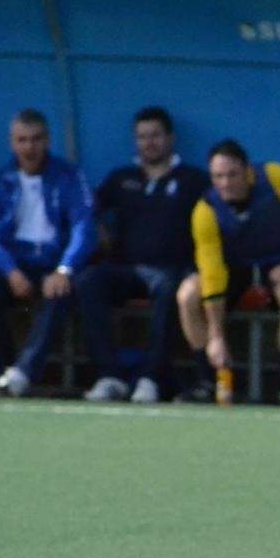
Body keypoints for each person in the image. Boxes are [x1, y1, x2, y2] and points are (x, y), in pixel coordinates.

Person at [175, 139, 280, 405]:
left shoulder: (276, 178)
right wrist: (216, 336)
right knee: (187, 295)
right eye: (218, 176)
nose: (225, 183)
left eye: (232, 174)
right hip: (234, 269)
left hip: (279, 263)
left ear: (247, 171)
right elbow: (213, 273)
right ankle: (207, 381)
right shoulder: (205, 210)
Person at [77, 106, 209, 404]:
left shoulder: (193, 180)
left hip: (170, 270)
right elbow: (84, 211)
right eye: (142, 137)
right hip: (125, 268)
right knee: (88, 281)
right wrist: (98, 228)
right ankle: (110, 377)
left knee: (168, 288)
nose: (149, 142)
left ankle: (151, 378)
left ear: (170, 138)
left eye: (156, 136)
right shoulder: (122, 178)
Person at [0, 109, 98, 398]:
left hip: (53, 265)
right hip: (15, 265)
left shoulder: (68, 177)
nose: (29, 147)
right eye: (22, 140)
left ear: (47, 140)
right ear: (12, 143)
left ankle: (23, 372)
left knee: (59, 293)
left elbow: (84, 226)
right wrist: (10, 271)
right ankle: (1, 372)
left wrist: (65, 268)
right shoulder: (0, 181)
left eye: (36, 139)